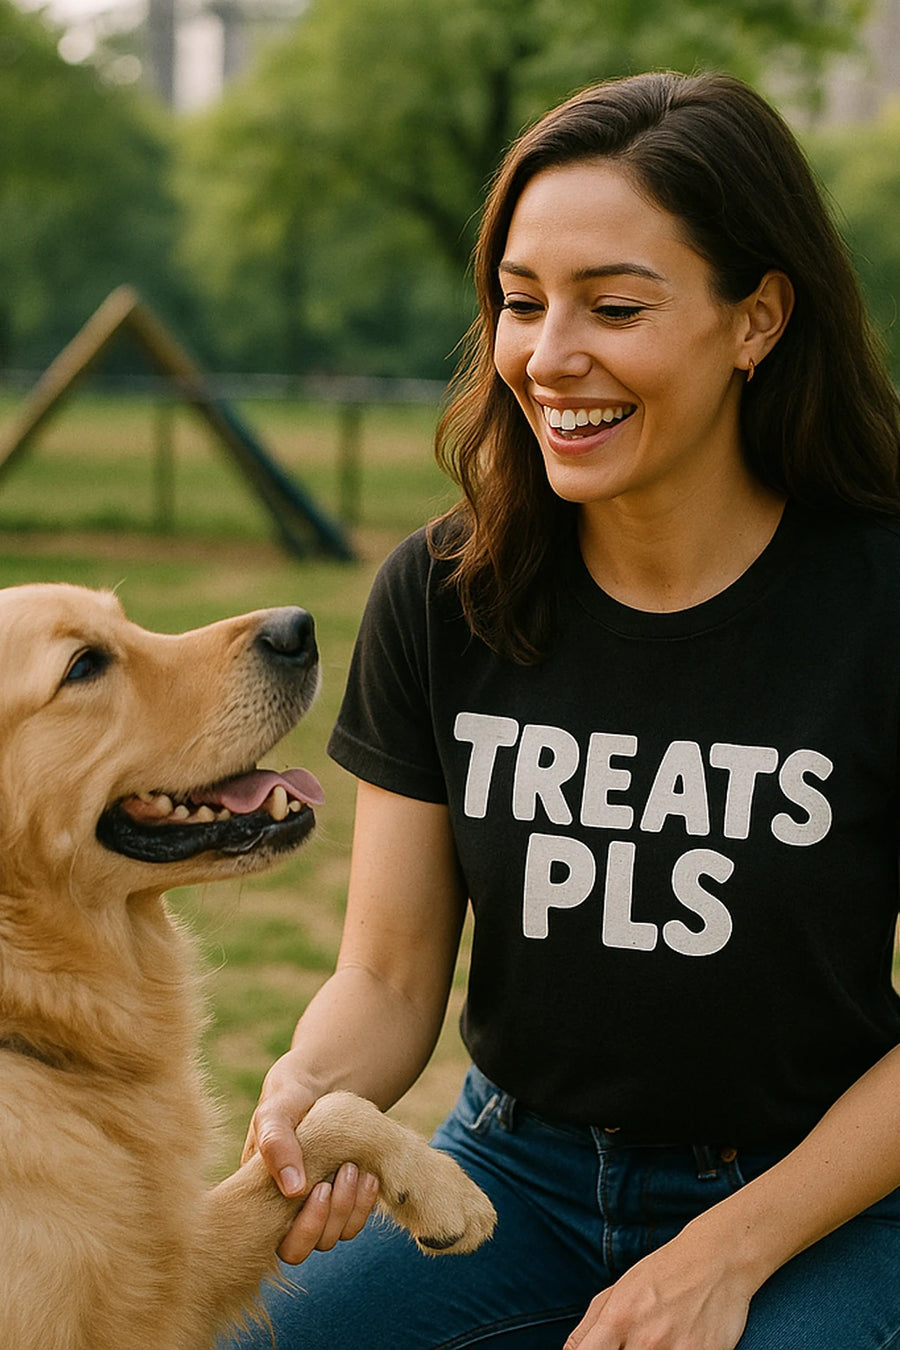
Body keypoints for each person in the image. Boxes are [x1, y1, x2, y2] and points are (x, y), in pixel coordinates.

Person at [218, 71, 900, 1350]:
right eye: (521, 303)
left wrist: (722, 1255)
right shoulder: (441, 594)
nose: (548, 356)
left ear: (756, 320)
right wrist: (311, 1087)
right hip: (514, 1170)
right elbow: (388, 972)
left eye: (616, 306)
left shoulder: (880, 600)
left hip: (821, 1197)